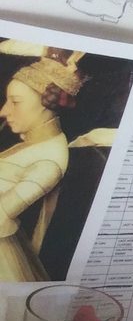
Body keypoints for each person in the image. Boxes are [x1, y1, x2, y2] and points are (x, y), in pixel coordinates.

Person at [0, 54, 83, 284]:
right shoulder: (36, 143)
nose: (4, 111)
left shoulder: (48, 163)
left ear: (45, 104)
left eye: (15, 102)